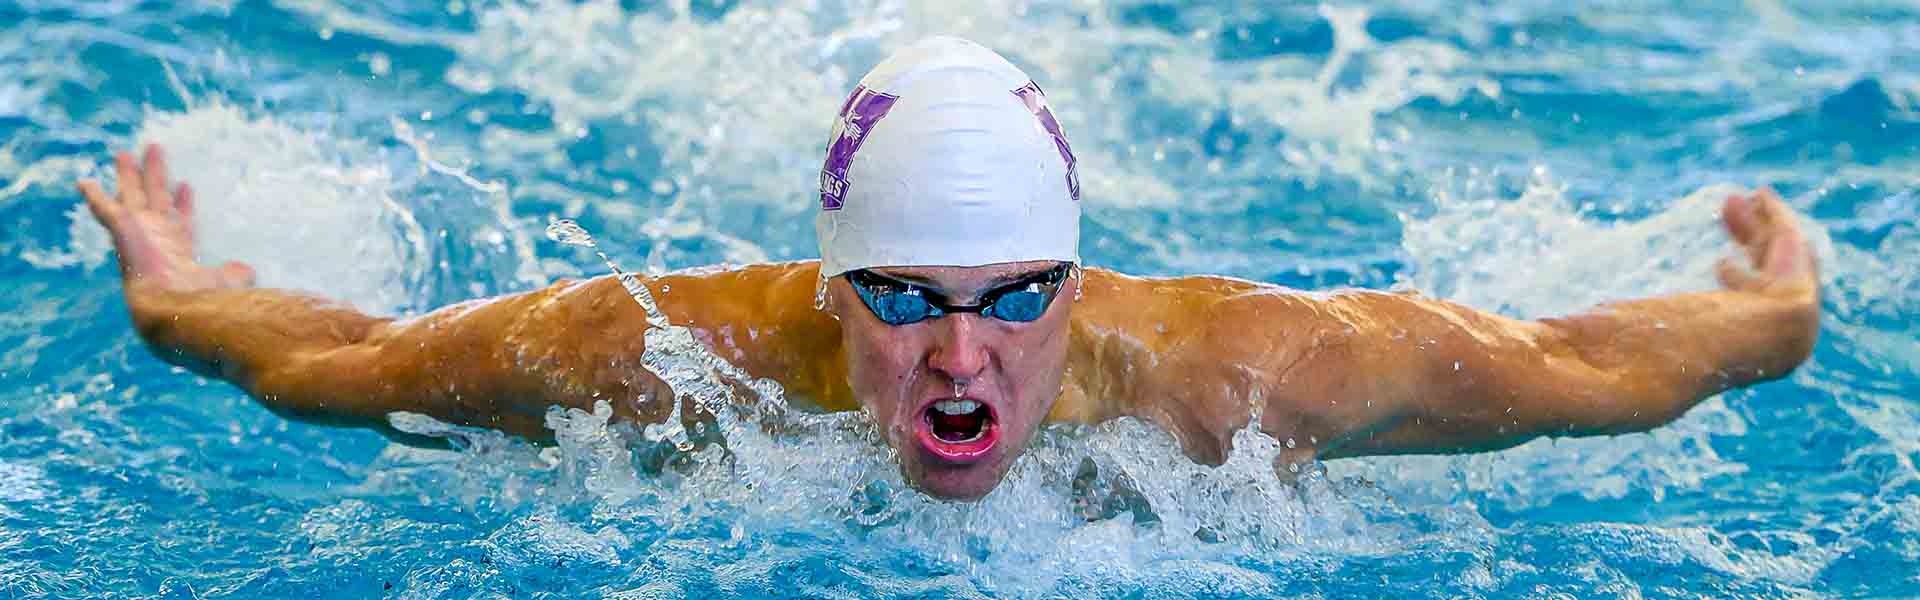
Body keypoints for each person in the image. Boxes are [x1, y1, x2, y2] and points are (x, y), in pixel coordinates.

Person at [78, 37, 1820, 501]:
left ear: (1082, 282)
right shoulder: (668, 354)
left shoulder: (1255, 373)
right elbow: (346, 362)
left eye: (1015, 296)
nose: (964, 360)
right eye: (906, 298)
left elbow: (1598, 370)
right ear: (830, 290)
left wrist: (1774, 296)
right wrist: (173, 288)